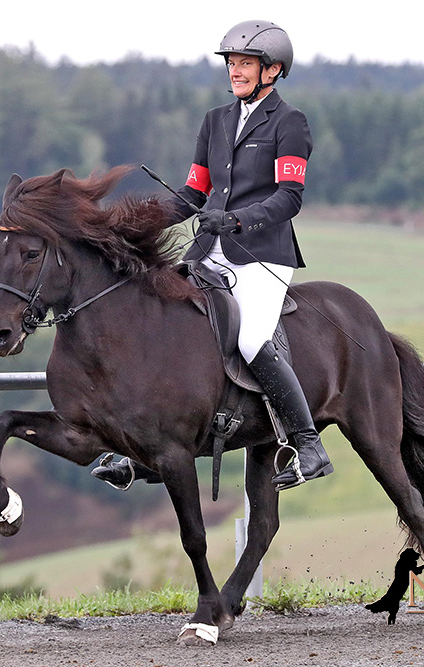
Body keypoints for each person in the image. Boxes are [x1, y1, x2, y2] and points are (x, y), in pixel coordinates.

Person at [93, 19, 333, 491]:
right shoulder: (216, 122)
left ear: (273, 70)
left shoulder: (289, 123)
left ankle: (309, 445)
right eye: (232, 63)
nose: (236, 71)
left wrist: (239, 220)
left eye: (246, 63)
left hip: (262, 254)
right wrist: (131, 224)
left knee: (249, 342)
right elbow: (190, 196)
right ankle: (144, 451)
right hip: (210, 251)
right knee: (172, 327)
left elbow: (290, 197)